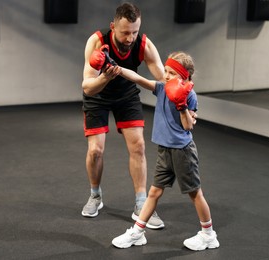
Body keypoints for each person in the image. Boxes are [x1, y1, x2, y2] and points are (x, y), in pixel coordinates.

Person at [111, 51, 220, 251]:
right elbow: (138, 78)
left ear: (184, 76)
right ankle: (137, 232)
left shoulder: (190, 95)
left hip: (182, 152)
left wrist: (181, 106)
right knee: (154, 192)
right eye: (166, 71)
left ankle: (208, 235)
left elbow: (188, 126)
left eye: (171, 73)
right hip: (165, 150)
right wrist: (116, 68)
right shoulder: (161, 88)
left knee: (195, 193)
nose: (166, 75)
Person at [81, 2, 165, 229]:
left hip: (126, 95)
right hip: (98, 95)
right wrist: (105, 78)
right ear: (113, 26)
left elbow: (164, 79)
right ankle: (95, 195)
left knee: (138, 146)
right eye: (125, 32)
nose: (130, 38)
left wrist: (183, 91)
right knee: (95, 151)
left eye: (134, 32)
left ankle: (141, 203)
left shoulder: (144, 45)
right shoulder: (97, 41)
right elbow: (88, 87)